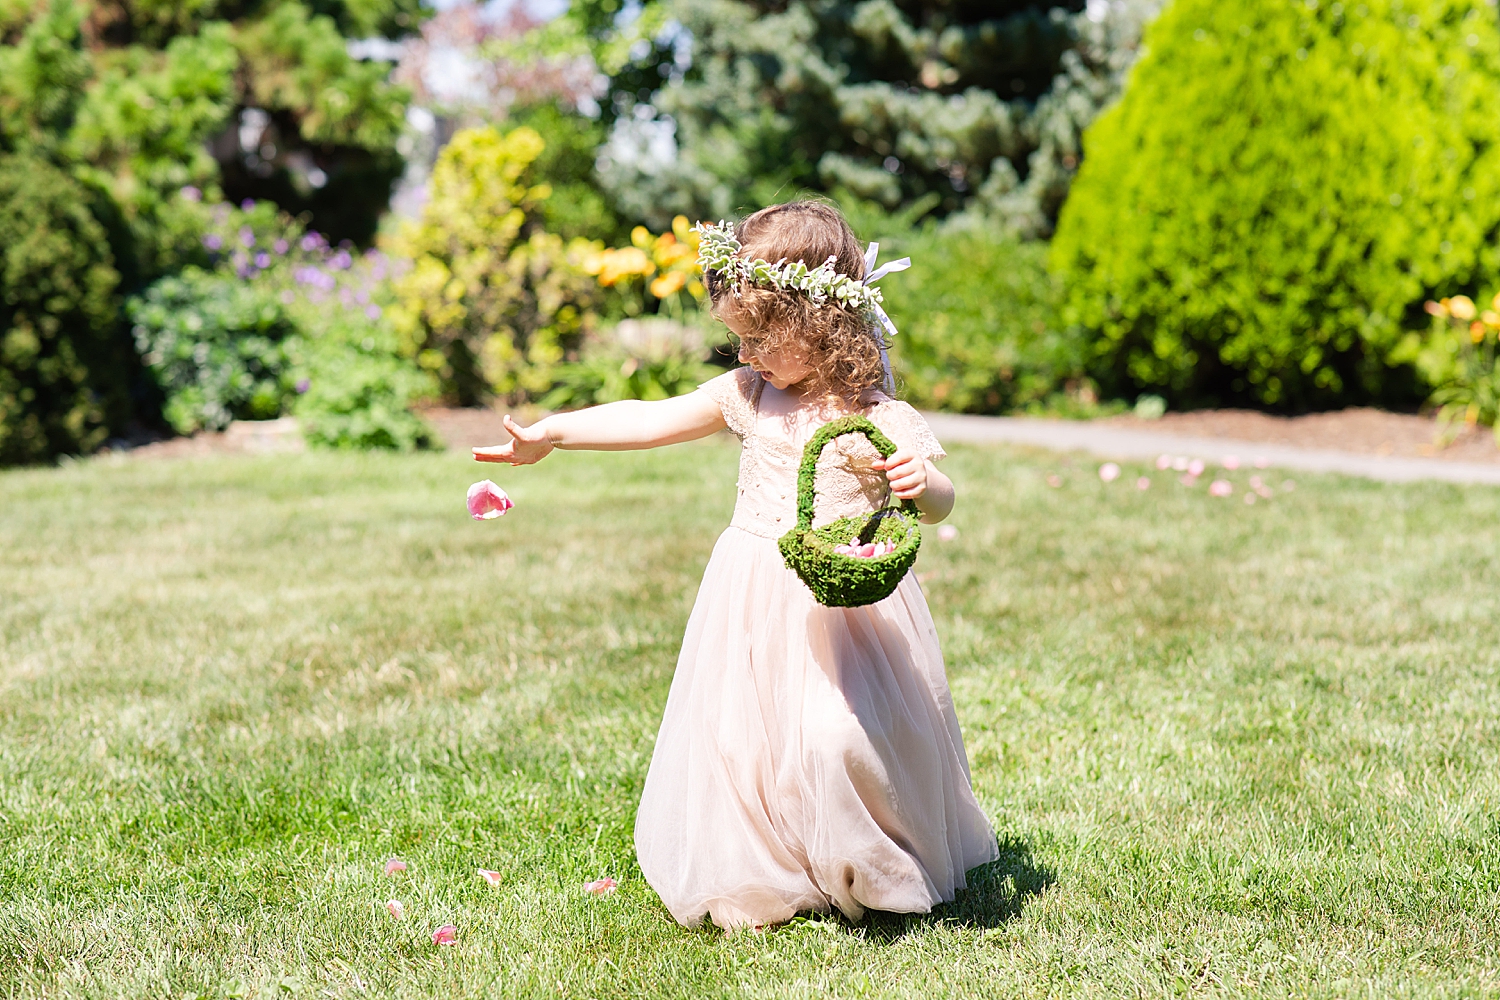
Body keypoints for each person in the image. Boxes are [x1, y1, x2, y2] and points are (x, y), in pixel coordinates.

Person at [474, 201, 997, 930]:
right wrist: (554, 433)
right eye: (738, 337)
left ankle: (877, 866)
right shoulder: (748, 396)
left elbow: (938, 503)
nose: (746, 355)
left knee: (836, 733)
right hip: (753, 591)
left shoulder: (874, 412)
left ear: (820, 322)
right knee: (751, 740)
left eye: (760, 338)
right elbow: (647, 418)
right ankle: (780, 863)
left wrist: (922, 484)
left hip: (842, 605)